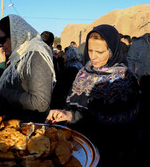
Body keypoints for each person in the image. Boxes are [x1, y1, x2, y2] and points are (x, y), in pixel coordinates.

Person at [46, 25, 140, 166]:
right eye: (90, 50)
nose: (93, 56)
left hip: (104, 154)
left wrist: (73, 116)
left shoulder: (124, 79)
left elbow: (114, 125)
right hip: (76, 148)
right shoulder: (84, 71)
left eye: (100, 52)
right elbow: (71, 101)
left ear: (112, 51)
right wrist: (63, 113)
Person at [0, 15, 56, 122]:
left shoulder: (36, 56)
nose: (0, 45)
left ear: (16, 35)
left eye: (2, 39)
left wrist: (1, 93)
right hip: (15, 127)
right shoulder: (18, 55)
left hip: (29, 131)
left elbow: (40, 102)